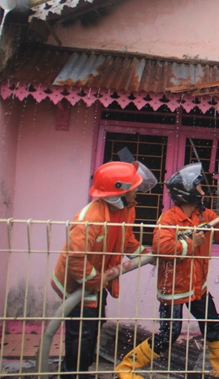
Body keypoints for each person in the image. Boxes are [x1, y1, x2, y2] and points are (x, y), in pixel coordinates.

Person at [115, 162, 219, 379]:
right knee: (169, 335)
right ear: (187, 193)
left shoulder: (205, 216)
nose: (203, 192)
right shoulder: (169, 219)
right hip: (174, 288)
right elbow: (162, 248)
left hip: (198, 287)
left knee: (213, 325)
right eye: (198, 188)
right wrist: (191, 243)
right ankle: (126, 368)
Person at [52, 160, 154, 379]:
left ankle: (78, 370)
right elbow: (76, 257)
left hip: (96, 280)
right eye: (132, 187)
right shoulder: (91, 218)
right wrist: (93, 280)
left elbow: (126, 241)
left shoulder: (125, 210)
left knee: (95, 324)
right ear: (118, 192)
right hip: (77, 282)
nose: (136, 190)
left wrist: (148, 257)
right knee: (82, 332)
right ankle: (72, 374)